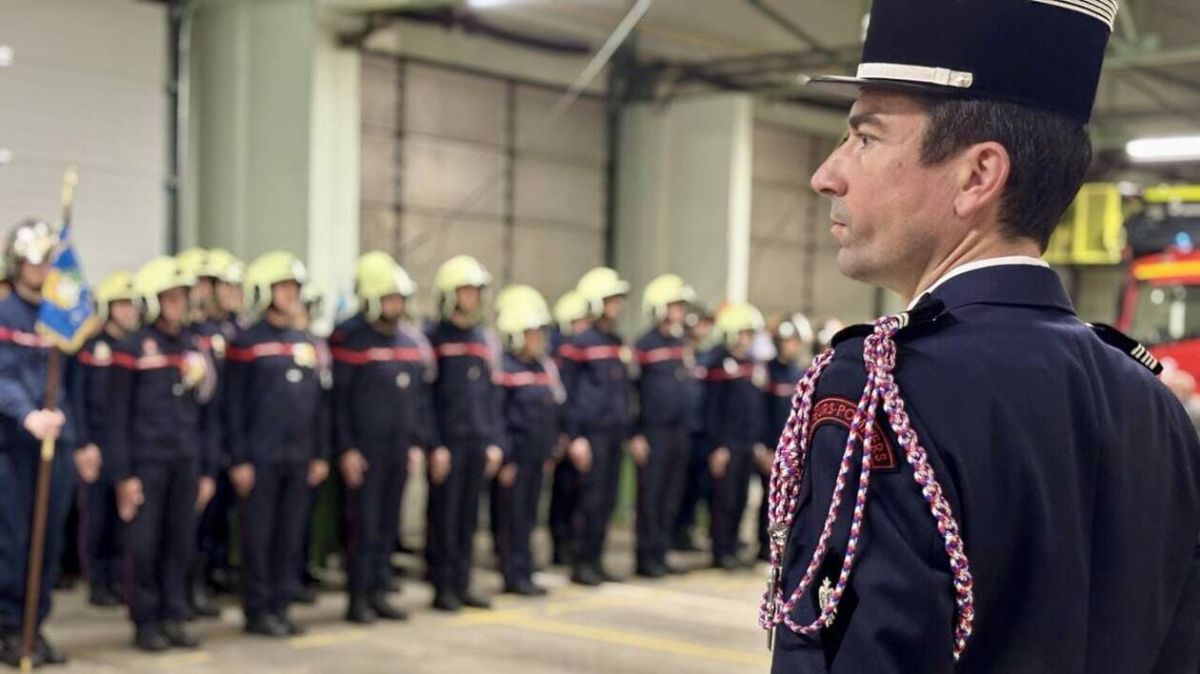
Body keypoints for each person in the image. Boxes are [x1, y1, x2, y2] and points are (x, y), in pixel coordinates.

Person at [762, 0, 1200, 670]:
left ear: (977, 176)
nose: (829, 174)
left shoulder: (883, 389)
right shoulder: (1152, 403)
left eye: (866, 138)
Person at [0, 219, 98, 668]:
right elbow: (4, 376)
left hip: (56, 447)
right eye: (34, 261)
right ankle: (8, 629)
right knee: (14, 542)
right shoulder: (5, 316)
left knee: (49, 541)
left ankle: (34, 628)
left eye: (47, 261)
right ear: (18, 264)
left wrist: (80, 440)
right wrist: (27, 414)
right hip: (14, 448)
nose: (41, 270)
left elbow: (73, 386)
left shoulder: (59, 317)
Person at [107, 256, 216, 651]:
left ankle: (174, 614)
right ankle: (146, 621)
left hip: (186, 460)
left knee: (180, 543)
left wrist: (206, 469)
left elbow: (206, 412)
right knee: (144, 545)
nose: (177, 304)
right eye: (169, 297)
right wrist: (123, 476)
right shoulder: (130, 348)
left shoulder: (195, 346)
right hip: (145, 464)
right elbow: (116, 418)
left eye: (182, 296)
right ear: (152, 300)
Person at [225, 251, 330, 638]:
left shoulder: (305, 343)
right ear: (265, 291)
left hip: (299, 456)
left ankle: (281, 605)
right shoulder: (246, 342)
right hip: (260, 457)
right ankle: (257, 609)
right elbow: (233, 405)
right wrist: (239, 458)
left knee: (291, 534)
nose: (290, 295)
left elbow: (319, 403)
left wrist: (319, 452)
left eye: (294, 288)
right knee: (260, 536)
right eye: (283, 287)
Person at [330, 251, 430, 624]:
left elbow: (417, 399)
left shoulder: (407, 341)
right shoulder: (350, 339)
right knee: (364, 526)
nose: (397, 306)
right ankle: (358, 598)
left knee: (388, 525)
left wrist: (416, 443)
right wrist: (347, 449)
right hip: (365, 450)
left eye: (400, 299)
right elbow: (339, 401)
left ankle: (379, 590)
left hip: (398, 448)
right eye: (390, 298)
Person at [425, 255, 503, 612]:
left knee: (470, 518)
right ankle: (443, 587)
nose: (471, 298)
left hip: (476, 440)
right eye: (465, 291)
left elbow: (491, 395)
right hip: (448, 442)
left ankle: (462, 581)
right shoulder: (434, 339)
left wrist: (492, 440)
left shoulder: (482, 339)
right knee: (445, 516)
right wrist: (435, 445)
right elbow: (426, 398)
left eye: (475, 291)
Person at [559, 267, 632, 587]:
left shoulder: (616, 341)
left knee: (606, 500)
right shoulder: (579, 344)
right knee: (588, 501)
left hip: (614, 433)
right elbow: (568, 393)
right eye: (611, 299)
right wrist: (575, 436)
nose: (617, 305)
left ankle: (596, 559)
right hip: (591, 435)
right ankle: (581, 562)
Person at [493, 287, 564, 596]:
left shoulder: (544, 368)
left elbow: (552, 411)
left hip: (537, 457)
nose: (537, 340)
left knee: (530, 516)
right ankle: (513, 573)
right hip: (516, 459)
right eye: (531, 334)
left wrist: (550, 448)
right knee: (513, 518)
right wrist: (506, 458)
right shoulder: (505, 370)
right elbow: (499, 416)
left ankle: (525, 568)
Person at [76, 271, 140, 608]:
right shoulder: (92, 346)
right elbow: (80, 396)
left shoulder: (134, 346)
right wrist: (84, 442)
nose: (127, 311)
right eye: (121, 304)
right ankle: (98, 580)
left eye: (131, 304)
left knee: (123, 514)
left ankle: (118, 577)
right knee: (97, 515)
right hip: (96, 441)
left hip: (123, 442)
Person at [630, 274, 695, 578]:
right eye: (674, 305)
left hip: (679, 431)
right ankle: (646, 557)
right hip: (653, 432)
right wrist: (635, 433)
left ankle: (661, 551)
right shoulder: (644, 345)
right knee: (651, 497)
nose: (679, 311)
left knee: (670, 495)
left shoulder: (681, 343)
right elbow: (632, 393)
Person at [704, 302, 766, 571]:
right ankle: (720, 550)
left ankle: (733, 545)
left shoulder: (751, 365)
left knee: (741, 498)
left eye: (749, 334)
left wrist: (757, 442)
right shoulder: (718, 364)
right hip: (726, 443)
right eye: (742, 333)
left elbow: (755, 407)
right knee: (725, 499)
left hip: (746, 443)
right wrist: (717, 445)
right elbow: (713, 409)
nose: (746, 340)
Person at [756, 314, 811, 562]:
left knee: (788, 502)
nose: (792, 346)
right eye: (787, 341)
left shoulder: (800, 372)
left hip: (793, 449)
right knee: (769, 500)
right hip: (771, 447)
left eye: (795, 341)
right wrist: (764, 447)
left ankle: (781, 547)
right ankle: (763, 546)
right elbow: (760, 412)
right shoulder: (768, 371)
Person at [547, 290, 590, 568]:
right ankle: (559, 544)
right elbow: (558, 398)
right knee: (561, 492)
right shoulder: (559, 356)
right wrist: (563, 434)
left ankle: (573, 544)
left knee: (578, 493)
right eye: (578, 322)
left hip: (581, 433)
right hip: (563, 433)